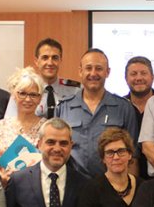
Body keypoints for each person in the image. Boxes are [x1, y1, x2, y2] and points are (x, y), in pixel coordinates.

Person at [56, 48, 139, 178]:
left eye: (99, 68)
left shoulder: (124, 108)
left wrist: (131, 191)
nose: (93, 73)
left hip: (113, 186)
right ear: (80, 71)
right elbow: (57, 152)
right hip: (74, 186)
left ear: (107, 72)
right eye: (88, 68)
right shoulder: (64, 107)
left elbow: (133, 157)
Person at [0, 67, 46, 186]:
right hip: (3, 189)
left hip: (35, 192)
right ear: (13, 94)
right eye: (22, 93)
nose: (28, 99)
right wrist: (0, 176)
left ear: (40, 98)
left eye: (33, 95)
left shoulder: (47, 128)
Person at [5, 38, 80, 120]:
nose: (50, 63)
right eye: (45, 58)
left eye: (55, 58)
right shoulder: (22, 90)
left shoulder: (75, 91)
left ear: (60, 60)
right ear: (36, 61)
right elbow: (10, 122)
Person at [123, 56, 154, 179]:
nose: (139, 78)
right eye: (133, 74)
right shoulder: (119, 107)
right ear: (126, 79)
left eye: (143, 73)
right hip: (126, 178)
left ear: (152, 77)